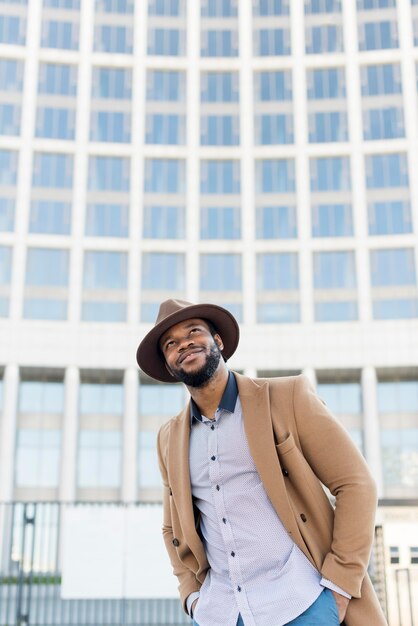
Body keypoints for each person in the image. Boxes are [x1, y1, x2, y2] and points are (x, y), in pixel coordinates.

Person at [136, 299, 387, 626]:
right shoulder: (168, 438)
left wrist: (340, 585)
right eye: (171, 344)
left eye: (193, 331)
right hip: (219, 612)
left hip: (302, 603)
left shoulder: (287, 397)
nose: (184, 344)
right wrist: (192, 596)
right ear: (169, 364)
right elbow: (172, 527)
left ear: (219, 342)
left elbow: (357, 484)